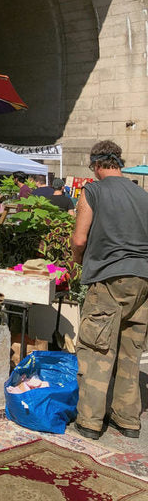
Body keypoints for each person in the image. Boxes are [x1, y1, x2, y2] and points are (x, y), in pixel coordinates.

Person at [71, 140, 148, 440]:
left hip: (109, 278)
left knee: (96, 349)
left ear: (98, 164)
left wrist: (78, 261)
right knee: (131, 351)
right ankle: (128, 419)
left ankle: (89, 422)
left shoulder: (93, 191)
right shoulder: (143, 194)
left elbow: (79, 240)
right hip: (143, 280)